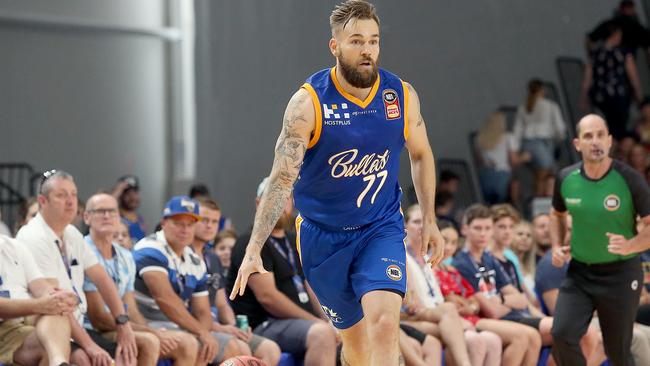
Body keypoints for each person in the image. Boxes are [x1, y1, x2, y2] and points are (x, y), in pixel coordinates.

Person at [229, 2, 445, 365]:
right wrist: (254, 247)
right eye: (356, 41)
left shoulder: (400, 96)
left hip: (380, 227)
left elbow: (421, 155)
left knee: (384, 324)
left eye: (374, 41)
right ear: (335, 46)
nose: (367, 50)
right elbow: (281, 179)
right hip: (322, 237)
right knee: (357, 349)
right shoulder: (308, 103)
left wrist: (431, 219)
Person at [550, 114, 650, 365]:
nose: (595, 142)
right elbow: (556, 214)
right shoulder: (566, 178)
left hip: (620, 274)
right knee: (561, 333)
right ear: (577, 144)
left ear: (609, 140)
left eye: (599, 135)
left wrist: (630, 245)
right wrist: (557, 245)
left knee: (618, 351)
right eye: (588, 136)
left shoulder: (629, 179)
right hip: (580, 274)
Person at [16, 170, 138, 366]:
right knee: (86, 358)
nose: (71, 201)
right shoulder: (33, 236)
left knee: (132, 352)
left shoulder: (72, 233)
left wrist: (122, 322)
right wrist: (90, 346)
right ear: (43, 201)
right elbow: (57, 306)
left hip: (77, 325)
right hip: (46, 328)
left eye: (73, 194)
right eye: (61, 195)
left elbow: (102, 279)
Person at [227, 178, 338, 365]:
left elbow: (311, 286)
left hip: (299, 322)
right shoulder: (252, 242)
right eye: (273, 197)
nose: (281, 204)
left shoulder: (294, 239)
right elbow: (268, 297)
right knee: (322, 334)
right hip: (264, 324)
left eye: (286, 198)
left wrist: (331, 320)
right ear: (258, 203)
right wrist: (316, 322)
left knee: (348, 330)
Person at [82, 193, 200, 366]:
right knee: (149, 341)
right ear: (86, 217)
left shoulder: (124, 256)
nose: (107, 216)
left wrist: (151, 330)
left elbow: (131, 308)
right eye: (100, 211)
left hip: (120, 325)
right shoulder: (82, 250)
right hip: (91, 330)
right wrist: (148, 331)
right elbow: (98, 318)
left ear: (118, 217)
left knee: (187, 343)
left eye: (112, 211)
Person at [132, 196, 244, 365]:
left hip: (177, 326)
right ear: (164, 222)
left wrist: (204, 333)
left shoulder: (194, 260)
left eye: (190, 224)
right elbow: (164, 298)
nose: (185, 229)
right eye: (178, 223)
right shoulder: (150, 248)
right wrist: (201, 333)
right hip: (145, 323)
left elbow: (203, 311)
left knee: (231, 347)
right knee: (190, 344)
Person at [402, 205, 501, 366]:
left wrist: (470, 307)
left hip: (438, 314)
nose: (422, 226)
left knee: (491, 340)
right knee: (452, 315)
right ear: (405, 225)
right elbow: (411, 305)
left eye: (426, 221)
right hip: (415, 316)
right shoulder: (401, 256)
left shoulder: (430, 258)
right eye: (416, 222)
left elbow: (458, 296)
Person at [192, 197, 281, 365]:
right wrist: (222, 328)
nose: (210, 225)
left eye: (214, 221)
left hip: (218, 326)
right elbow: (192, 311)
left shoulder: (212, 258)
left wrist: (235, 326)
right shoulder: (186, 254)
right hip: (200, 326)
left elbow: (222, 304)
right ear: (193, 220)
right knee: (240, 349)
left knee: (270, 349)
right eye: (205, 220)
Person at [0, 234, 79, 366]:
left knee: (56, 311)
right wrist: (39, 305)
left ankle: (59, 362)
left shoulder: (14, 246)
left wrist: (61, 298)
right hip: (10, 325)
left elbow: (41, 286)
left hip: (16, 326)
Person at [581, 21, 643, 141]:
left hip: (600, 96)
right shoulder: (622, 52)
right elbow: (633, 75)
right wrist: (638, 94)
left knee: (608, 126)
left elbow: (588, 77)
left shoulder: (595, 53)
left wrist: (584, 96)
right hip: (619, 95)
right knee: (621, 127)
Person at [513, 79, 566, 196]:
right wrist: (560, 140)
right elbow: (559, 128)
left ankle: (538, 202)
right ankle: (541, 203)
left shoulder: (524, 107)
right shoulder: (551, 106)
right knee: (546, 175)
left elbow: (517, 130)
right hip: (542, 144)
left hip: (527, 144)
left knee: (538, 176)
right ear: (543, 90)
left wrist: (515, 150)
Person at [475, 112, 530, 205]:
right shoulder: (508, 137)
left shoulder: (479, 139)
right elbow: (513, 161)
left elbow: (479, 161)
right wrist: (524, 157)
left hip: (484, 176)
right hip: (502, 176)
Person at [113, 175, 147, 243]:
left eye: (135, 193)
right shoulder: (114, 217)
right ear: (120, 195)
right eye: (128, 194)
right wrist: (116, 192)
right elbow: (105, 206)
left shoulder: (140, 220)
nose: (133, 197)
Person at [511, 220, 536, 293]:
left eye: (529, 235)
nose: (524, 238)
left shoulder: (530, 266)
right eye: (520, 234)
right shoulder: (505, 263)